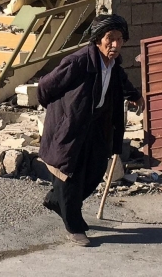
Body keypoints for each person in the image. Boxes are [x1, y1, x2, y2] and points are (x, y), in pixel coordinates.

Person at [37, 14, 143, 246]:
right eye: (110, 39)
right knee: (69, 174)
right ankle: (74, 226)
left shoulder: (113, 65)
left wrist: (134, 94)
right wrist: (62, 113)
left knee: (95, 171)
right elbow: (45, 87)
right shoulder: (78, 62)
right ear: (97, 39)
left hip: (96, 125)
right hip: (71, 125)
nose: (115, 44)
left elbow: (121, 81)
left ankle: (57, 201)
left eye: (120, 39)